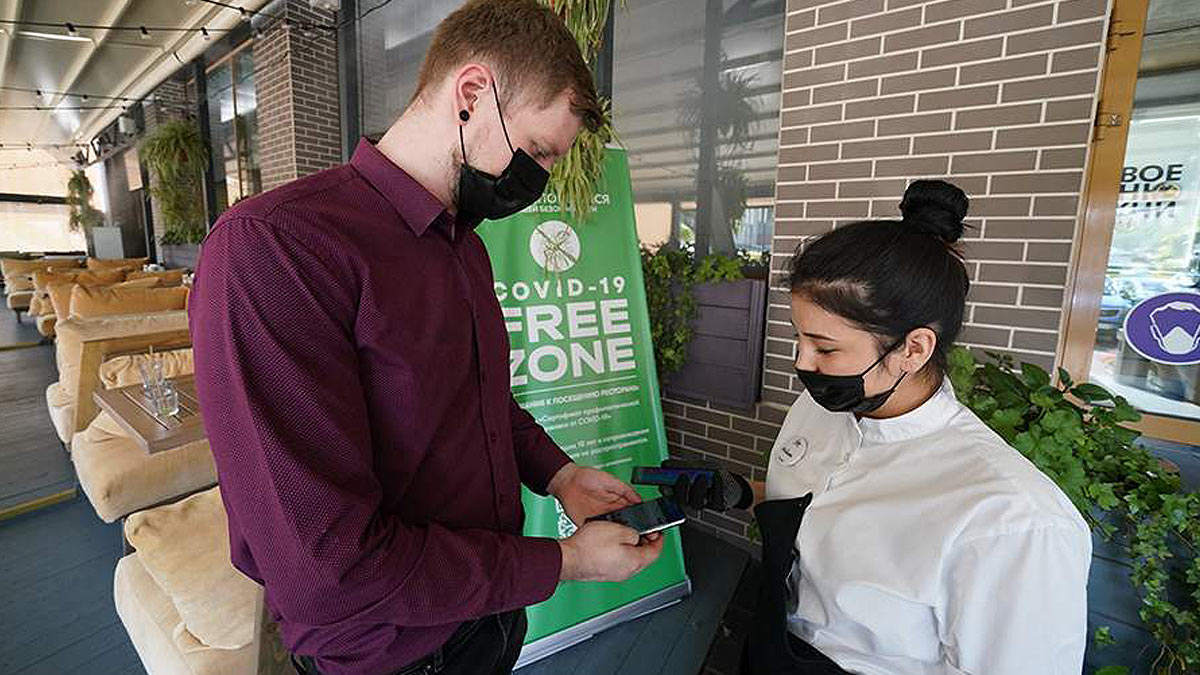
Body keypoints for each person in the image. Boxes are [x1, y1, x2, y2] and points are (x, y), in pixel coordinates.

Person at [187, 2, 662, 674]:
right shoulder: (276, 249)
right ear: (471, 93)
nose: (541, 181)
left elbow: (478, 401)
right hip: (388, 652)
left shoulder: (463, 246)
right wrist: (565, 561)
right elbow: (327, 567)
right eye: (536, 153)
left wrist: (561, 475)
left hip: (490, 618)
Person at [659, 180, 1092, 674]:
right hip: (771, 646)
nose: (802, 362)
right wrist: (738, 493)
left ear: (914, 349)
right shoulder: (824, 408)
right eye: (800, 339)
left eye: (825, 348)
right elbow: (822, 512)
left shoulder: (1012, 522)